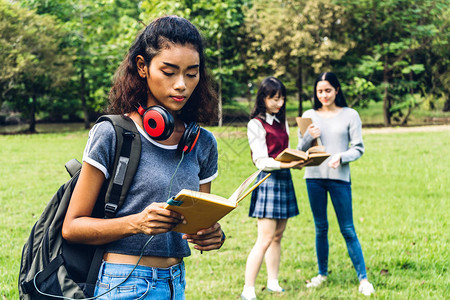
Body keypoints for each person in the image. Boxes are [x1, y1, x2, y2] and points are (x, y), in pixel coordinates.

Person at [62, 16, 225, 300]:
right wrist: (136, 223)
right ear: (142, 67)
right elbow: (72, 226)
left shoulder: (202, 143)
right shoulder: (112, 133)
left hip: (176, 282)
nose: (181, 85)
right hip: (123, 284)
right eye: (169, 71)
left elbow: (197, 222)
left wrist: (213, 235)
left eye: (191, 73)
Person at [297, 72, 375, 296]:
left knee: (348, 229)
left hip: (339, 178)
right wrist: (307, 136)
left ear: (337, 90)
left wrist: (341, 156)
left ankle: (363, 279)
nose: (324, 95)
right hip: (313, 178)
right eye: (320, 91)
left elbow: (358, 148)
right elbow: (301, 152)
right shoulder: (309, 115)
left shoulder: (350, 115)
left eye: (328, 90)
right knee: (320, 228)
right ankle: (322, 274)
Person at [241, 77, 307, 300]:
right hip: (268, 180)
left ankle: (273, 282)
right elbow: (261, 160)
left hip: (284, 178)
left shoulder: (282, 122)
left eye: (282, 98)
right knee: (265, 238)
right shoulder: (256, 124)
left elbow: (286, 150)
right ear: (263, 98)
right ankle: (248, 289)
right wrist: (286, 164)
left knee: (278, 236)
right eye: (274, 98)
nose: (279, 103)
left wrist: (297, 161)